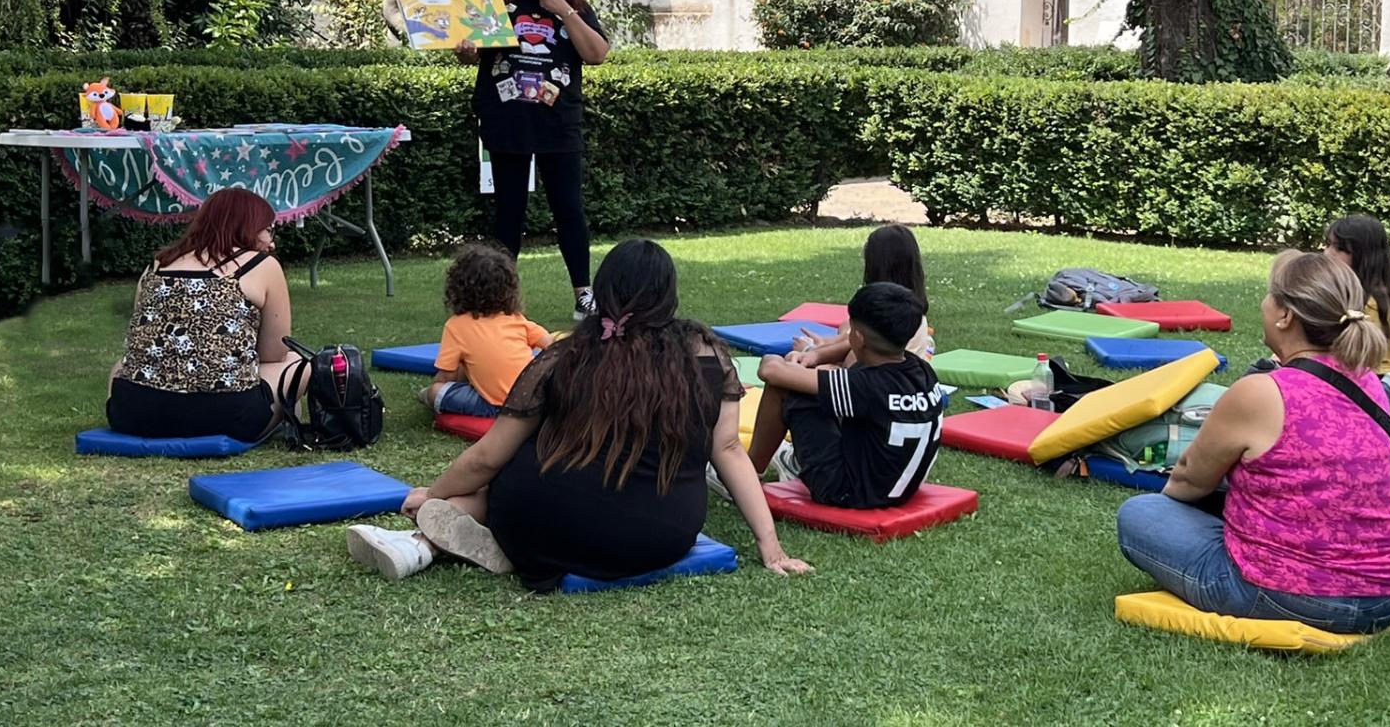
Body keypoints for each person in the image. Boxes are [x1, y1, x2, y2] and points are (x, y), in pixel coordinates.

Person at [344, 239, 809, 588]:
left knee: (511, 473)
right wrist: (771, 548)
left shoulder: (566, 355)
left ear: (603, 291)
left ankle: (423, 541)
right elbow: (728, 450)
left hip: (543, 521)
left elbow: (487, 457)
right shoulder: (707, 353)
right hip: (660, 535)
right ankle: (428, 543)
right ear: (669, 295)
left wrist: (432, 495)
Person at [1116, 251, 1390, 635]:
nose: (1264, 303)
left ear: (1285, 315)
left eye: (1269, 295)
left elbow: (1189, 482)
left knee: (1141, 514)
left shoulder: (1261, 392)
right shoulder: (1369, 382)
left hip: (1298, 599)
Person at [456, 0, 610, 321]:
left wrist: (564, 10)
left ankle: (583, 295)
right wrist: (467, 52)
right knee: (508, 212)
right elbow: (474, 55)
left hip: (558, 124)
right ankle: (499, 302)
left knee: (568, 210)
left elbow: (597, 54)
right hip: (507, 121)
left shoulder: (573, 6)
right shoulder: (501, 5)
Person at [107, 188, 305, 442]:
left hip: (132, 414)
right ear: (247, 227)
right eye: (268, 230)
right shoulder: (261, 265)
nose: (272, 242)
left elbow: (141, 340)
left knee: (119, 366)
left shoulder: (158, 264)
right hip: (226, 418)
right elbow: (274, 353)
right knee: (297, 362)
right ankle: (284, 411)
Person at [743, 282, 943, 509]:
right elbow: (848, 360)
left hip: (845, 492)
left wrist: (790, 360)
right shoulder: (920, 370)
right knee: (819, 384)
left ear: (857, 337)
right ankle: (794, 462)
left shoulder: (864, 385)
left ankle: (747, 476)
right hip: (896, 487)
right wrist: (814, 357)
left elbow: (770, 371)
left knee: (786, 388)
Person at [422, 242, 553, 418]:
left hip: (498, 408)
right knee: (465, 365)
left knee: (435, 391)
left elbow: (446, 376)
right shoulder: (516, 320)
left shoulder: (456, 326)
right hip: (532, 400)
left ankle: (425, 395)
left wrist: (432, 391)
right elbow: (552, 345)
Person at [787, 224, 934, 367]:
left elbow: (850, 364)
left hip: (877, 384)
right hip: (877, 374)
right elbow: (850, 342)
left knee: (792, 368)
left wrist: (810, 352)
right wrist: (824, 346)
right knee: (846, 326)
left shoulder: (886, 321)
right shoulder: (911, 313)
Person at [1324, 214, 1390, 407]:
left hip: (1381, 377)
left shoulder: (1377, 302)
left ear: (1364, 256)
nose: (1327, 253)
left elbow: (1354, 355)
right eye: (1328, 244)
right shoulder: (1340, 291)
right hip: (1346, 373)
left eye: (1339, 249)